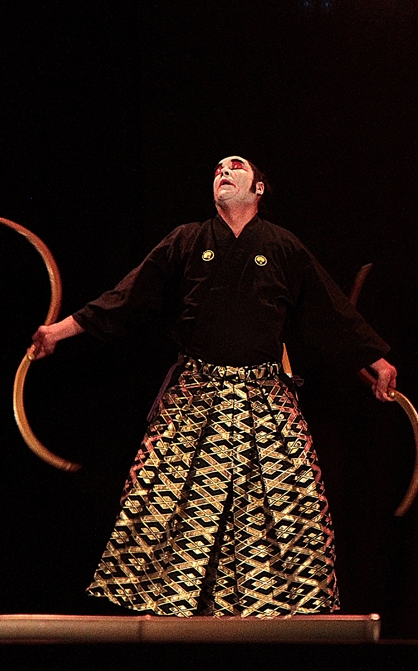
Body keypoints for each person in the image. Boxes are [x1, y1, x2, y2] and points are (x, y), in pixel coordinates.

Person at [31, 156, 397, 617]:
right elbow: (127, 296)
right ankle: (172, 622)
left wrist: (376, 360)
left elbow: (329, 312)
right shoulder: (186, 240)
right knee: (162, 505)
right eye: (218, 168)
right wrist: (57, 332)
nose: (224, 170)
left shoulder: (284, 247)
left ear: (260, 189)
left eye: (237, 167)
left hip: (265, 399)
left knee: (284, 511)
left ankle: (272, 623)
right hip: (194, 398)